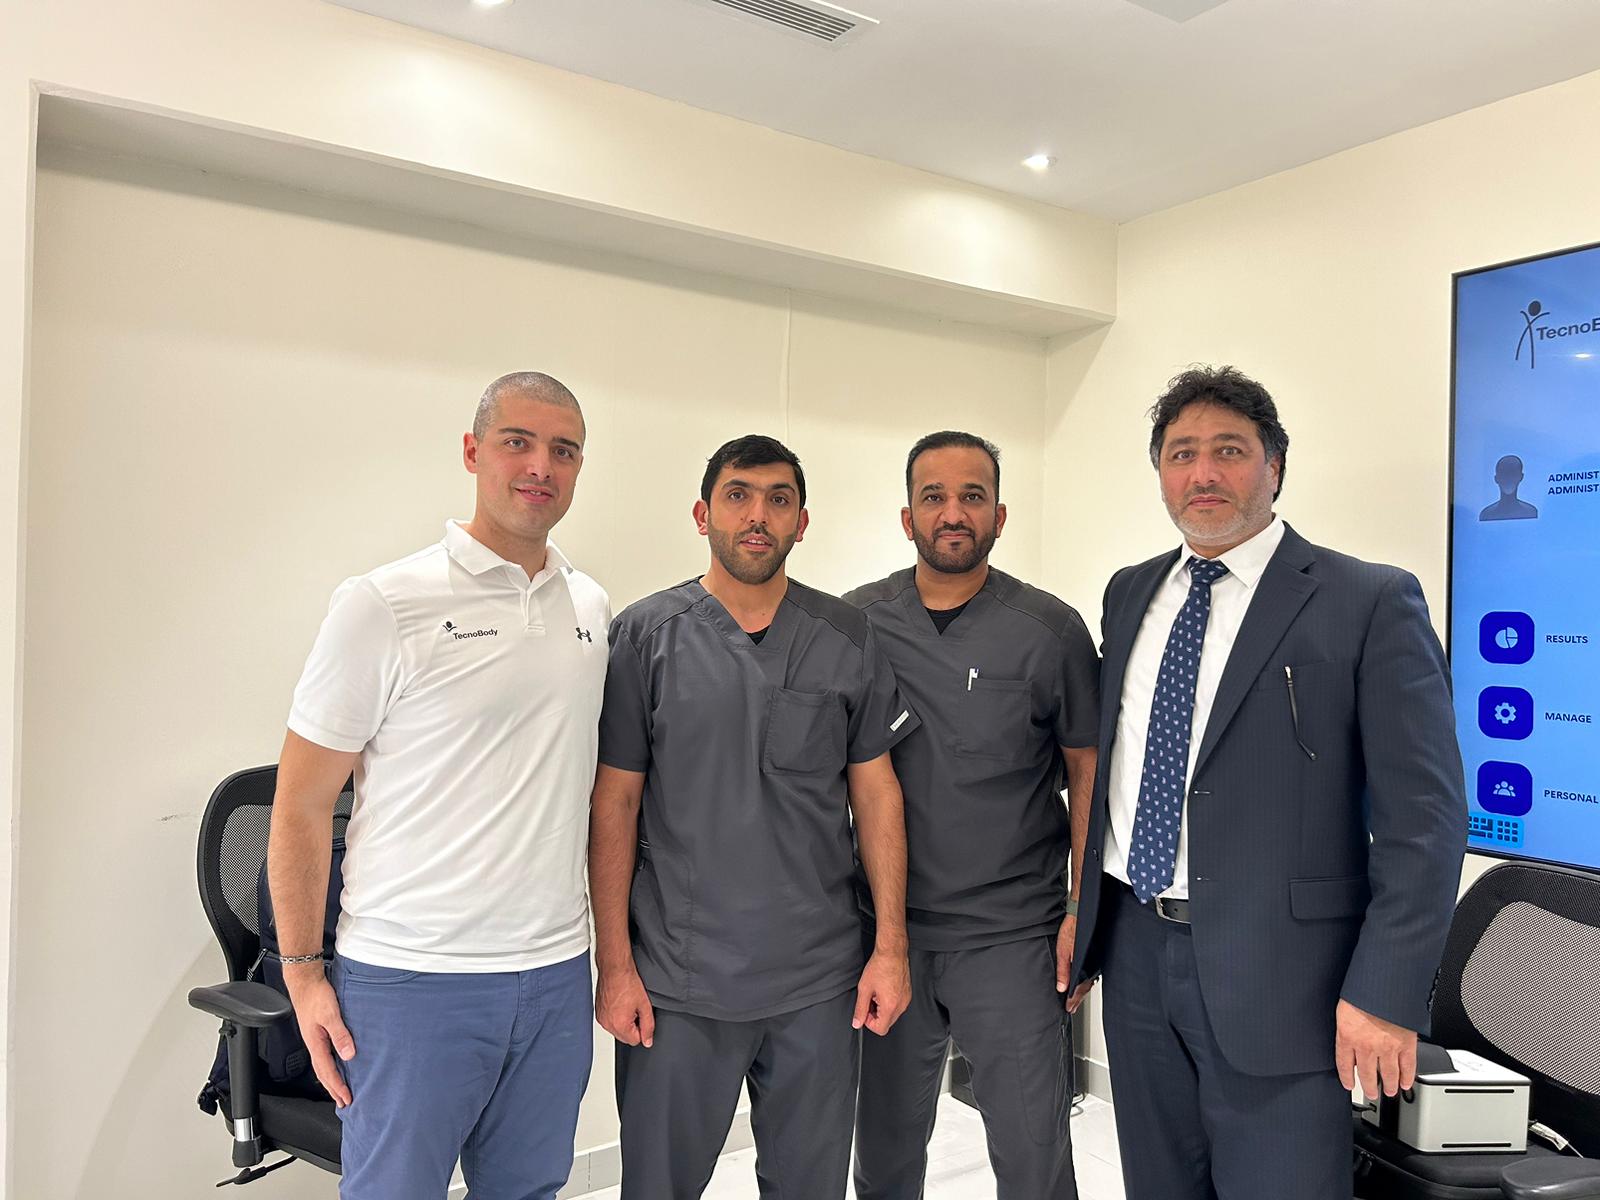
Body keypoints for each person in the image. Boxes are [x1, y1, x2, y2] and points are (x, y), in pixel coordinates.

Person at [1068, 366, 1466, 1200]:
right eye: (1181, 454)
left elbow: (1424, 821)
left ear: (1274, 467)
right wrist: (1085, 915)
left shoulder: (1367, 599)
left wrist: (1386, 994)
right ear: (1160, 473)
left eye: (1229, 450)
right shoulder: (1130, 592)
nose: (1203, 473)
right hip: (1136, 953)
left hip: (1287, 976)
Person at [267, 372, 609, 1200]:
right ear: (472, 452)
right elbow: (301, 804)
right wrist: (303, 976)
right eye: (517, 442)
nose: (541, 466)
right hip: (411, 978)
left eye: (563, 450)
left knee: (529, 1190)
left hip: (556, 973)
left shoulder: (592, 607)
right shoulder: (384, 604)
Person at [589, 434, 918, 1200]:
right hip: (679, 982)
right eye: (737, 496)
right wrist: (615, 966)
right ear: (702, 514)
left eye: (779, 499)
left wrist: (891, 949)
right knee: (658, 1188)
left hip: (817, 982)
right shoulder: (646, 637)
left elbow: (877, 795)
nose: (757, 515)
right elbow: (615, 804)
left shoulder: (846, 636)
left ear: (802, 521)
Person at [845, 431, 1099, 1200]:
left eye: (972, 496)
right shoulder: (858, 625)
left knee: (1034, 1160)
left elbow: (1087, 772)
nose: (953, 513)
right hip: (888, 936)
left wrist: (1081, 912)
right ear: (907, 517)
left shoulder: (1051, 632)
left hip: (1011, 940)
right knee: (884, 1156)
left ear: (1000, 515)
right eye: (934, 497)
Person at [1478, 453, 1539, 521]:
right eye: (1504, 474)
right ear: (1496, 478)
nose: (1508, 479)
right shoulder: (1486, 514)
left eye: (1513, 474)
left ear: (1521, 477)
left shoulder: (1531, 512)